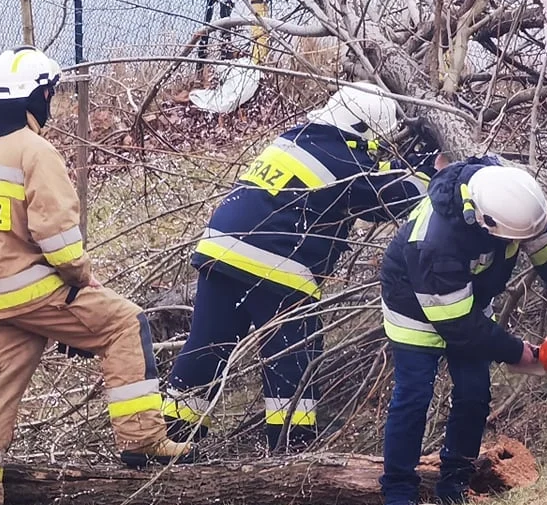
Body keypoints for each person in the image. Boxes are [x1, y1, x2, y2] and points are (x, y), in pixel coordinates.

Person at [0, 45, 191, 505]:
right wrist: (82, 281)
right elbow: (60, 240)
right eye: (49, 93)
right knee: (125, 322)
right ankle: (142, 441)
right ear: (36, 96)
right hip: (39, 292)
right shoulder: (35, 151)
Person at [162, 82, 436, 454]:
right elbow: (395, 197)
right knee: (291, 359)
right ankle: (291, 448)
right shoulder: (343, 162)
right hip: (277, 266)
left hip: (219, 249)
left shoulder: (295, 139)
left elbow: (364, 179)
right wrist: (430, 167)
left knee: (206, 347)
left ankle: (173, 437)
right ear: (360, 130)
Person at [378, 156, 547, 505]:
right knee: (414, 394)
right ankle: (398, 498)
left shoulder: (517, 202)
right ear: (483, 224)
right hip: (415, 304)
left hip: (465, 300)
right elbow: (460, 327)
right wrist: (519, 353)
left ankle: (455, 485)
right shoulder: (437, 243)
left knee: (474, 392)